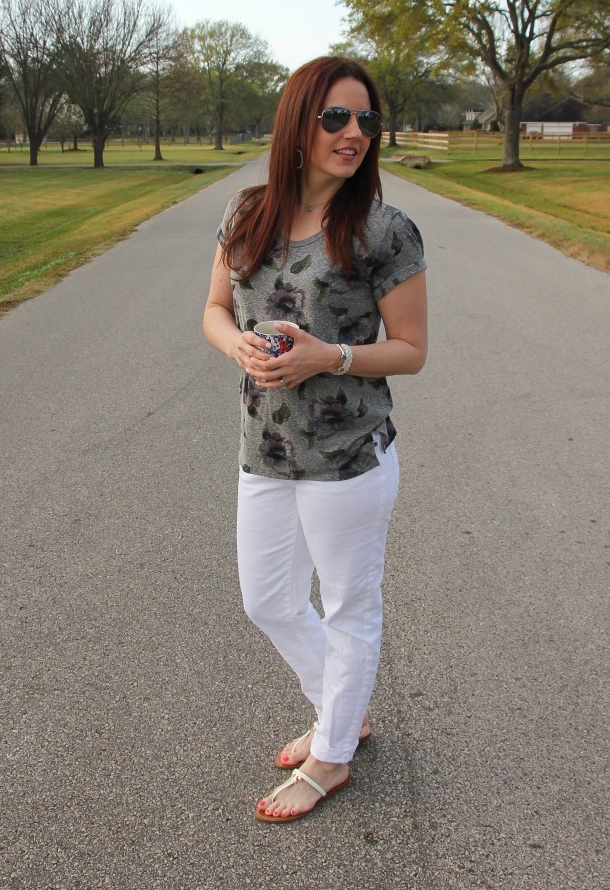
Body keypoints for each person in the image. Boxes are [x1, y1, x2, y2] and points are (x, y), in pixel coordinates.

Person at [203, 56, 427, 823]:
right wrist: (234, 344)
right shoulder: (246, 212)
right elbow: (213, 309)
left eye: (366, 119)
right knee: (266, 600)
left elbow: (412, 349)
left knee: (348, 607)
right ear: (299, 125)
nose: (355, 133)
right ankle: (342, 707)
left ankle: (332, 754)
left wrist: (325, 356)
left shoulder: (384, 231)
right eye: (336, 117)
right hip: (263, 448)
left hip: (348, 456)